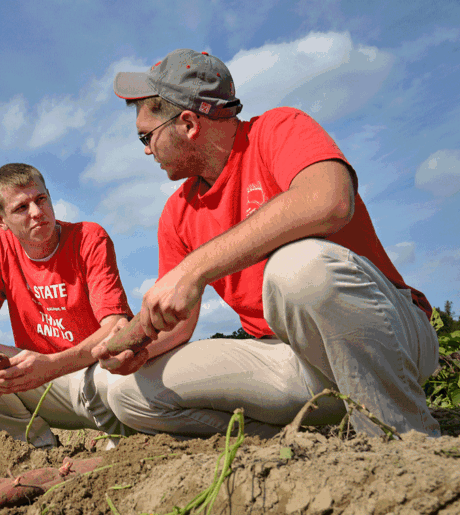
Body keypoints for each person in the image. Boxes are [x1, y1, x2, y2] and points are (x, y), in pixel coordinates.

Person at [95, 49, 440, 439]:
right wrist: (140, 347)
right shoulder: (176, 214)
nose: (145, 150)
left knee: (298, 267)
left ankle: (401, 440)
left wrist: (194, 268)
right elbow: (179, 324)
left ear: (188, 124)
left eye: (147, 136)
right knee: (127, 395)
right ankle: (284, 448)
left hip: (387, 338)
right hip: (289, 360)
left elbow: (330, 200)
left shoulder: (279, 128)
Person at [0, 163, 135, 448]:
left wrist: (53, 365)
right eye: (21, 208)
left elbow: (115, 325)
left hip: (94, 376)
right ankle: (38, 445)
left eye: (41, 199)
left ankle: (122, 441)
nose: (36, 212)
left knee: (122, 381)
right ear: (0, 219)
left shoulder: (88, 238)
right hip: (44, 387)